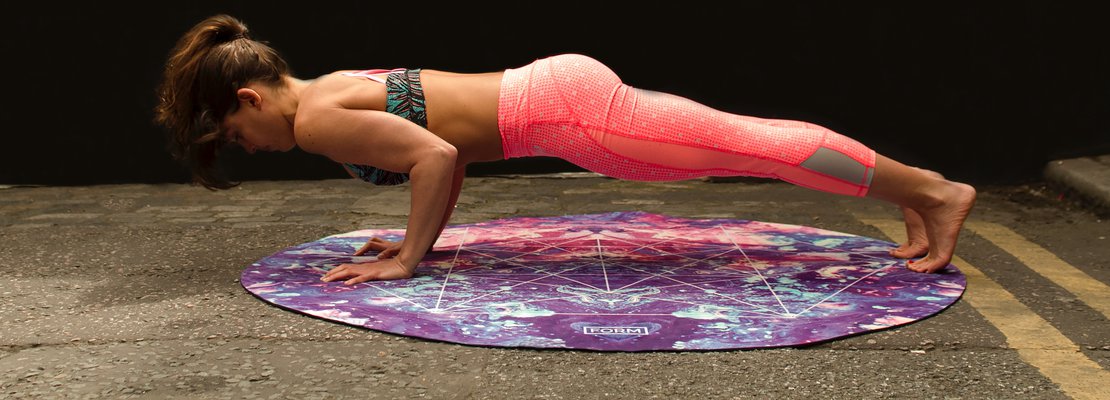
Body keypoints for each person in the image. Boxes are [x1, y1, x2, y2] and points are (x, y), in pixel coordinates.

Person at [154, 15, 976, 286]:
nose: (249, 147)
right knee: (747, 148)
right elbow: (438, 145)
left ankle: (935, 192)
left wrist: (408, 259)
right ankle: (905, 189)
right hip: (558, 102)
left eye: (234, 134)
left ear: (251, 99)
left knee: (752, 145)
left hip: (564, 113)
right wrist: (411, 239)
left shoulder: (318, 120)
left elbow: (436, 158)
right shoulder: (328, 85)